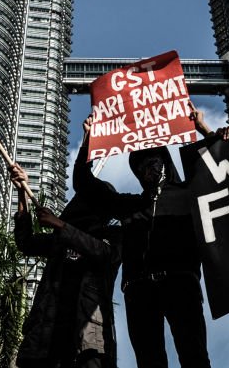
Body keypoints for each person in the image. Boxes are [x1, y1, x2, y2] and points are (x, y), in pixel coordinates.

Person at [73, 110, 216, 368]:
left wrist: (202, 128)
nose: (147, 168)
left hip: (181, 283)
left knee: (194, 355)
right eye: (140, 165)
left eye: (153, 160)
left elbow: (221, 169)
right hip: (139, 290)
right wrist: (88, 140)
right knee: (149, 361)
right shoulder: (130, 205)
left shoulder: (189, 194)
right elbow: (84, 184)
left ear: (165, 161)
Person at [10, 161, 122, 368]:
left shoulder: (112, 236)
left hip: (87, 342)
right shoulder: (59, 240)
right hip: (47, 339)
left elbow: (104, 253)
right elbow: (25, 242)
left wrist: (60, 225)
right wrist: (22, 194)